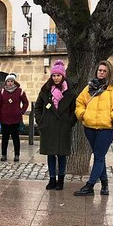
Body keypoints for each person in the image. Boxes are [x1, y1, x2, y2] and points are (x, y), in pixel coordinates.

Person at [74, 60, 113, 196]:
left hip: (107, 129)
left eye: (104, 71)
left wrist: (112, 118)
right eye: (99, 70)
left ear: (109, 72)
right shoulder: (89, 88)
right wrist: (83, 114)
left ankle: (90, 186)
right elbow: (80, 102)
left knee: (98, 156)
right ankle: (105, 185)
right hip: (90, 127)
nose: (101, 73)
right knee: (100, 156)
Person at [34, 60, 77, 190]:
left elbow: (75, 110)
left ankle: (61, 180)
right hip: (48, 127)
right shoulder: (45, 90)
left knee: (62, 155)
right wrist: (40, 121)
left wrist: (70, 122)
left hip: (63, 127)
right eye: (54, 75)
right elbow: (38, 107)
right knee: (51, 154)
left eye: (58, 75)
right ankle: (52, 179)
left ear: (63, 76)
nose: (56, 78)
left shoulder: (70, 92)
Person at [0, 73, 29, 162]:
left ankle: (17, 155)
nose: (10, 83)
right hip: (4, 119)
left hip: (15, 119)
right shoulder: (2, 91)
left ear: (14, 82)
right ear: (6, 82)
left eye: (11, 81)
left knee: (15, 138)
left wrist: (21, 111)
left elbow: (26, 103)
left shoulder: (19, 91)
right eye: (8, 81)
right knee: (4, 138)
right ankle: (4, 154)